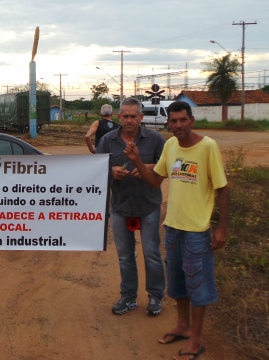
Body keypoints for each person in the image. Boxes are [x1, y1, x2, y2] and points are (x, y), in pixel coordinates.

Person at [124, 100, 229, 360]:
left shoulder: (207, 147)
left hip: (197, 230)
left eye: (183, 120)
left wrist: (221, 229)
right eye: (174, 121)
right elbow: (154, 182)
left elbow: (222, 188)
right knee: (178, 284)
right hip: (172, 227)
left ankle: (195, 340)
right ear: (168, 123)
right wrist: (137, 160)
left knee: (198, 286)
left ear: (191, 120)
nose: (178, 125)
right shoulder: (170, 146)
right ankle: (182, 327)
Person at [96, 98, 166, 316]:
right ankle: (129, 296)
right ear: (118, 118)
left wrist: (151, 165)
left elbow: (168, 164)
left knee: (152, 252)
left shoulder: (155, 139)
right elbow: (95, 168)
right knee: (125, 255)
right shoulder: (108, 140)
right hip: (120, 205)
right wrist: (110, 172)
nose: (129, 120)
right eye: (125, 116)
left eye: (133, 116)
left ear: (141, 117)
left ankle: (156, 295)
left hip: (149, 204)